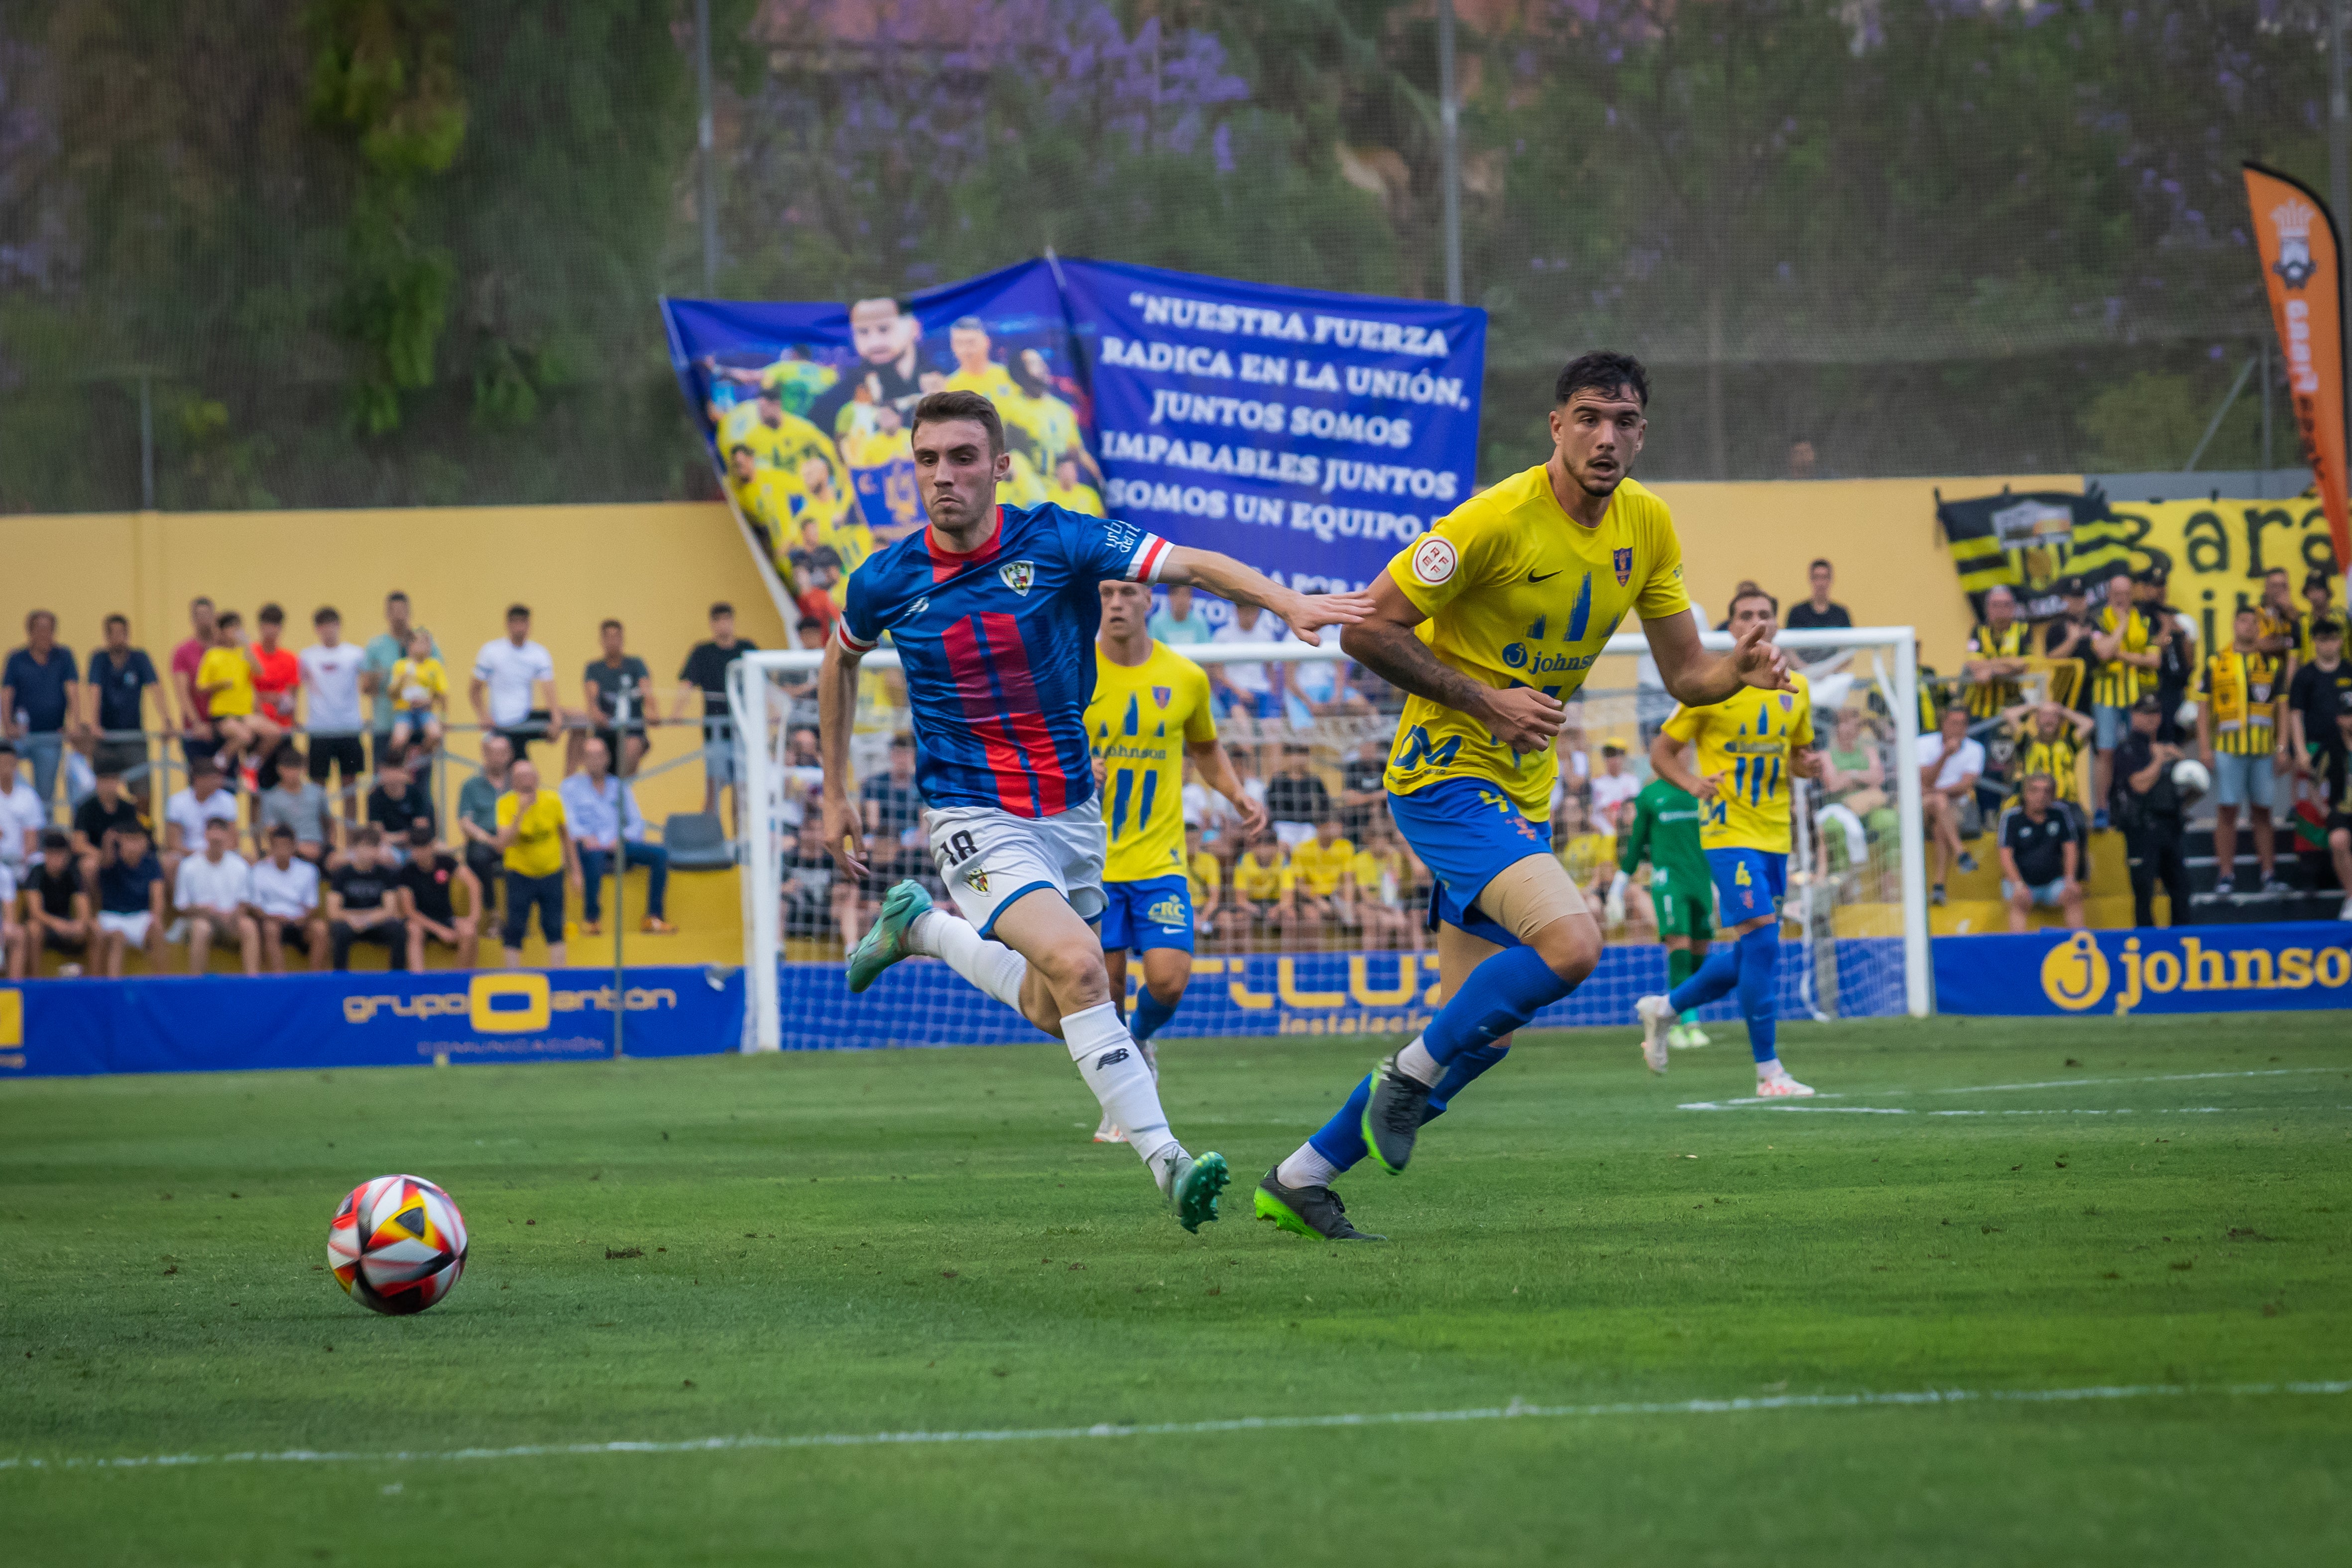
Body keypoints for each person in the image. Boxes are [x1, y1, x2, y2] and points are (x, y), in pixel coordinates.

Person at [1265, 351, 1788, 1241]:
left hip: (1520, 787)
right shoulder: (1490, 520)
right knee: (1572, 942)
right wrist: (1482, 698)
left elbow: (1684, 674)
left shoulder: (1647, 526)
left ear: (1640, 433)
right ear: (1554, 425)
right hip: (1442, 774)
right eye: (1587, 417)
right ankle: (1403, 1078)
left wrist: (1734, 668)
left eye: (1623, 422)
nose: (1605, 437)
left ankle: (1300, 1176)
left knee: (1485, 1034)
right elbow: (1367, 630)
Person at [821, 388, 1368, 1233]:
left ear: (998, 465)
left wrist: (1286, 601)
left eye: (963, 457)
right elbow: (839, 659)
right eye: (927, 459)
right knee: (1084, 966)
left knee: (1052, 1003)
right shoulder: (884, 579)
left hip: (1072, 812)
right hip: (970, 809)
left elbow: (1192, 562)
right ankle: (1167, 1160)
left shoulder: (1058, 538)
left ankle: (920, 928)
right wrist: (833, 786)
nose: (943, 476)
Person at [1081, 578, 1266, 1141]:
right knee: (1103, 985)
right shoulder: (1072, 669)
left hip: (1160, 856)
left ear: (1148, 602)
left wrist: (1237, 796)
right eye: (1107, 593)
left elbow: (1206, 748)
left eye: (1126, 593)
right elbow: (1035, 742)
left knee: (1167, 980)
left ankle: (1139, 1039)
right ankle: (1121, 1094)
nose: (1115, 603)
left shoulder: (1184, 676)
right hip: (1090, 861)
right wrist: (1073, 767)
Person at [1639, 587, 1818, 1090]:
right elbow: (1661, 753)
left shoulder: (1797, 689)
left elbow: (1799, 756)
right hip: (1726, 831)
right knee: (1762, 942)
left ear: (1775, 624)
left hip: (1775, 834)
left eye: (1764, 614)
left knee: (1750, 952)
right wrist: (1692, 783)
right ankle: (1768, 1072)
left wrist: (1807, 766)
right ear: (1732, 628)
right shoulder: (1709, 688)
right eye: (1745, 616)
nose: (1756, 622)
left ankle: (1665, 1007)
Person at [1612, 771, 1713, 1050]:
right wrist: (1619, 885)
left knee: (1700, 951)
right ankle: (1689, 1024)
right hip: (1669, 881)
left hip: (1701, 878)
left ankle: (1669, 1011)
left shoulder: (1700, 788)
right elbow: (1636, 843)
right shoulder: (1650, 795)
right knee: (1680, 945)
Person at [2194, 604, 2286, 896]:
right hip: (2228, 749)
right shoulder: (2215, 661)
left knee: (2263, 813)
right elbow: (2203, 707)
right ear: (2234, 624)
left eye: (2254, 622)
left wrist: (2282, 747)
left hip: (2262, 749)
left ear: (2260, 628)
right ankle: (2225, 875)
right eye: (2243, 621)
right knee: (2227, 812)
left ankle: (2269, 874)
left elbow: (2282, 708)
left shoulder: (2271, 664)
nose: (2249, 626)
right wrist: (2205, 748)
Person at [559, 736, 673, 936]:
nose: (595, 760)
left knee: (660, 855)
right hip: (587, 844)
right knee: (594, 857)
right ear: (582, 760)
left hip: (617, 844)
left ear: (607, 758)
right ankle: (591, 919)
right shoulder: (570, 787)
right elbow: (568, 822)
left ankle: (654, 917)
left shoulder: (619, 787)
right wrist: (584, 836)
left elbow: (637, 823)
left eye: (599, 755)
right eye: (589, 756)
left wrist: (621, 838)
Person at [2088, 570, 2163, 824]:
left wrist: (2123, 656)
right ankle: (2102, 808)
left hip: (2136, 697)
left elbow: (2154, 660)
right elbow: (2104, 653)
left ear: (2132, 595)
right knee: (2106, 752)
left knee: (2141, 748)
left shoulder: (2144, 620)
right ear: (2109, 595)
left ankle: (2143, 802)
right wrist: (2121, 625)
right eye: (2116, 593)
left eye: (2126, 593)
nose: (2121, 598)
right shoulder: (2097, 620)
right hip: (2106, 697)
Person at [675, 603, 759, 826]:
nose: (723, 625)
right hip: (716, 731)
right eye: (719, 621)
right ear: (712, 624)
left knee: (742, 789)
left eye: (727, 619)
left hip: (744, 731)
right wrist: (677, 712)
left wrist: (773, 713)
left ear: (733, 621)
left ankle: (740, 843)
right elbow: (687, 683)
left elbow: (764, 684)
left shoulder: (747, 649)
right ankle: (713, 842)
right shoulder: (702, 652)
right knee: (715, 783)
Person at [2112, 694, 2190, 927]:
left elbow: (2183, 794)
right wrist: (2158, 761)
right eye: (2145, 713)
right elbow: (2139, 785)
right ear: (2134, 716)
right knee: (2144, 890)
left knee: (2182, 888)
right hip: (2142, 828)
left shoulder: (2165, 747)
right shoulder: (2128, 749)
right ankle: (2146, 945)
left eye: (2156, 714)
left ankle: (2183, 941)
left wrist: (2183, 766)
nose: (2151, 719)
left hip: (2170, 826)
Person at [495, 758, 578, 968]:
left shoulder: (552, 800)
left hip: (551, 872)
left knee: (554, 927)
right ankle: (513, 979)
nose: (527, 782)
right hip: (520, 874)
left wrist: (576, 872)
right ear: (513, 782)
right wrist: (521, 812)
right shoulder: (505, 804)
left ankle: (559, 977)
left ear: (537, 778)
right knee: (515, 928)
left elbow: (566, 837)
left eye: (530, 775)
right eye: (521, 777)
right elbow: (504, 843)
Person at [2, 609, 81, 811]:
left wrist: (75, 724)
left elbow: (72, 691)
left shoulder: (64, 657)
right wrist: (8, 726)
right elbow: (7, 693)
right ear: (30, 631)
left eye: (50, 629)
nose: (46, 634)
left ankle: (43, 837)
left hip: (50, 736)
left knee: (46, 794)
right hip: (20, 736)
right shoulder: (17, 658)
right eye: (41, 629)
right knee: (7, 779)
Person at [299, 606, 369, 828]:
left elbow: (369, 686)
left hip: (349, 729)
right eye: (323, 627)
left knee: (350, 788)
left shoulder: (356, 655)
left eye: (332, 626)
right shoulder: (307, 657)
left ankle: (351, 840)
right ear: (317, 630)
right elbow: (293, 688)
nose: (328, 631)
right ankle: (324, 839)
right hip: (319, 731)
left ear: (339, 626)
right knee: (319, 790)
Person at [84, 614, 163, 806]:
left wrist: (167, 721)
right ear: (107, 636)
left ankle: (144, 830)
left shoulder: (139, 658)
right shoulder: (99, 659)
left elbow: (156, 688)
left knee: (143, 792)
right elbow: (94, 690)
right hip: (106, 738)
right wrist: (94, 725)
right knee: (103, 793)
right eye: (114, 633)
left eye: (122, 633)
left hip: (133, 735)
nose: (118, 637)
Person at [1915, 704, 1985, 904]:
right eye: (1954, 723)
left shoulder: (1975, 749)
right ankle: (1960, 853)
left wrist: (1936, 791)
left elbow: (1966, 785)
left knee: (1940, 823)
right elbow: (1926, 780)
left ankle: (1939, 887)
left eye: (1963, 724)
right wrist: (1945, 755)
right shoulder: (1923, 744)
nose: (1959, 728)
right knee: (1938, 802)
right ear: (1943, 724)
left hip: (1953, 805)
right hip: (1922, 805)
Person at [470, 605, 561, 759]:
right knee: (516, 772)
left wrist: (556, 718)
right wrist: (483, 715)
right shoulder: (491, 651)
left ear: (529, 625)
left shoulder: (539, 653)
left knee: (578, 719)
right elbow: (475, 689)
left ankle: (570, 779)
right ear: (508, 625)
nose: (519, 628)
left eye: (523, 623)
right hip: (501, 724)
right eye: (515, 623)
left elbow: (548, 687)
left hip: (526, 719)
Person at [1998, 772, 2085, 933]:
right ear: (2025, 794)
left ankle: (2080, 942)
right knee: (2019, 900)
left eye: (2046, 791)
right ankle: (2018, 947)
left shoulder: (2060, 814)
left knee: (2074, 893)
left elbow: (2070, 849)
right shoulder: (2011, 817)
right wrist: (2018, 885)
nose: (2041, 796)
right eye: (2034, 791)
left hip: (2053, 884)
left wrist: (2070, 879)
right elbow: (2005, 856)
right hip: (2022, 883)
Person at [361, 592, 437, 770]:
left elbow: (438, 684)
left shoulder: (426, 644)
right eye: (393, 611)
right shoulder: (376, 647)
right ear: (386, 614)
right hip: (386, 726)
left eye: (402, 610)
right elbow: (365, 689)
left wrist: (435, 711)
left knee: (419, 786)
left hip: (419, 724)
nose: (398, 616)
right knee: (384, 782)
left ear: (410, 612)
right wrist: (375, 679)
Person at [174, 816, 257, 975]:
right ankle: (196, 984)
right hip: (201, 921)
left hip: (231, 923)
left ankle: (253, 982)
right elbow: (181, 906)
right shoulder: (189, 866)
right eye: (213, 837)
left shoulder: (240, 866)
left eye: (220, 838)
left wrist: (233, 916)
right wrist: (204, 911)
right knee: (201, 928)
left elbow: (244, 902)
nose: (216, 842)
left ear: (227, 837)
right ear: (205, 836)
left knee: (248, 926)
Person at [195, 611, 274, 778]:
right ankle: (219, 761)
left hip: (245, 713)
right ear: (222, 632)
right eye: (232, 628)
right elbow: (200, 687)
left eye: (239, 628)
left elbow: (259, 671)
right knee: (245, 736)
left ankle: (251, 766)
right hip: (223, 714)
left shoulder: (244, 654)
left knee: (274, 733)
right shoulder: (213, 655)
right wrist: (220, 684)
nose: (236, 632)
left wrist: (247, 647)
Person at [398, 819, 481, 969]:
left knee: (470, 931)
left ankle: (459, 981)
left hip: (446, 917)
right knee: (413, 929)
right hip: (422, 922)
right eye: (416, 849)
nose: (420, 853)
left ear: (432, 846)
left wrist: (474, 918)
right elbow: (409, 911)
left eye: (424, 848)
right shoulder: (407, 872)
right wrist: (440, 931)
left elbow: (474, 884)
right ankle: (419, 983)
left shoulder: (446, 862)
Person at [2287, 615, 2352, 797]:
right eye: (2323, 640)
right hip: (2313, 748)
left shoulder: (2349, 672)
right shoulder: (2304, 676)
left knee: (2345, 806)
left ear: (2340, 641)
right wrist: (2300, 750)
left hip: (2347, 749)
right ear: (2315, 642)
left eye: (2332, 639)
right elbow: (2295, 715)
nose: (2328, 645)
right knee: (2312, 808)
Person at [578, 619, 653, 778]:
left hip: (632, 731)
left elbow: (646, 690)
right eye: (608, 637)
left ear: (622, 639)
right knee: (592, 751)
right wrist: (594, 711)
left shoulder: (636, 664)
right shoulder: (594, 668)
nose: (613, 641)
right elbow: (591, 695)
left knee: (631, 748)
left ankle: (620, 792)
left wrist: (652, 710)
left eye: (616, 636)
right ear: (602, 641)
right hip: (605, 731)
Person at [247, 825, 327, 972]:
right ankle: (281, 981)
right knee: (270, 929)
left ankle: (315, 981)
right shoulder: (259, 870)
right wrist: (275, 917)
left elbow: (312, 905)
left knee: (320, 929)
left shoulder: (309, 870)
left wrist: (303, 918)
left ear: (294, 846)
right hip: (272, 921)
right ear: (271, 847)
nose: (282, 850)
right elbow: (256, 908)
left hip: (299, 922)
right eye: (278, 846)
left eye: (286, 846)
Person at [326, 827, 407, 970]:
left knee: (399, 930)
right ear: (355, 848)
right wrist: (354, 918)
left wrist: (367, 921)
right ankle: (340, 980)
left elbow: (390, 909)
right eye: (366, 846)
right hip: (349, 923)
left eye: (374, 846)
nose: (370, 851)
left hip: (375, 923)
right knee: (340, 931)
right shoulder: (342, 874)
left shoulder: (385, 874)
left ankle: (396, 980)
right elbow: (333, 912)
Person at [93, 822, 166, 976]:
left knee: (158, 930)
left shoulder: (152, 863)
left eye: (137, 840)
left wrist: (157, 918)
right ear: (120, 842)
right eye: (129, 840)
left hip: (140, 916)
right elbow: (105, 859)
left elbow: (158, 895)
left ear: (145, 842)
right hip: (112, 916)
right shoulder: (110, 861)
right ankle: (115, 990)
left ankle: (162, 988)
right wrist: (108, 843)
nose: (133, 845)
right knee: (118, 937)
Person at [1206, 600, 1289, 727]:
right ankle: (1244, 747)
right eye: (1245, 611)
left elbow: (1271, 668)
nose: (1249, 616)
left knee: (1272, 730)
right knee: (1243, 727)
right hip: (1232, 692)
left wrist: (1272, 692)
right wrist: (1239, 691)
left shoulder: (1266, 636)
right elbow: (1217, 672)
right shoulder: (1223, 636)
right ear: (1236, 611)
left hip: (1262, 691)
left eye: (1253, 612)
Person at [21, 829, 93, 974]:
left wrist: (80, 924)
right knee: (34, 929)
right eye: (51, 854)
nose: (55, 859)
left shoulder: (73, 873)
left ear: (67, 856)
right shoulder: (37, 873)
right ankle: (36, 983)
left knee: (93, 929)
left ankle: (96, 984)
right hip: (45, 925)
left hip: (66, 923)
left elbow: (83, 906)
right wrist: (56, 924)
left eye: (59, 854)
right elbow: (35, 912)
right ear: (45, 855)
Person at [457, 732, 513, 916]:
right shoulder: (471, 786)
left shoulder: (518, 783)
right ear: (485, 754)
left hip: (515, 837)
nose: (498, 758)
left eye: (502, 753)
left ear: (510, 754)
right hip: (484, 839)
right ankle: (493, 912)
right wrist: (490, 840)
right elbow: (465, 822)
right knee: (477, 857)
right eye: (493, 753)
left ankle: (518, 915)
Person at [247, 604, 300, 788]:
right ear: (260, 627)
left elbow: (291, 697)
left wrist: (294, 719)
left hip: (282, 727)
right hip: (259, 730)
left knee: (284, 786)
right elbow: (248, 691)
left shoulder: (290, 659)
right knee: (256, 788)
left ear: (281, 629)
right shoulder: (250, 655)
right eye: (267, 625)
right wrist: (270, 698)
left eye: (275, 626)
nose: (271, 630)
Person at [171, 597, 222, 782]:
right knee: (199, 786)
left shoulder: (225, 648)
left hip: (224, 728)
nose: (204, 619)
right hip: (196, 731)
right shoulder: (183, 652)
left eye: (208, 614)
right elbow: (182, 693)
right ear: (192, 619)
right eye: (199, 615)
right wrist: (197, 723)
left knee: (226, 786)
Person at [161, 761, 239, 881]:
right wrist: (197, 855)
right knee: (169, 864)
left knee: (248, 861)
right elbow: (172, 843)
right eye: (213, 779)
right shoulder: (177, 801)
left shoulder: (228, 800)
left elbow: (233, 841)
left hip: (220, 852)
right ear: (198, 780)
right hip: (187, 854)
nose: (219, 783)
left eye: (219, 778)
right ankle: (175, 900)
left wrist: (213, 854)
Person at [70, 768, 148, 889]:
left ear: (119, 782)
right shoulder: (85, 809)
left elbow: (138, 836)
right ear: (97, 782)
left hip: (123, 854)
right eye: (104, 780)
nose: (108, 785)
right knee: (89, 866)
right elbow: (78, 844)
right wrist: (104, 855)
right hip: (97, 855)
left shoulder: (128, 808)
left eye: (112, 780)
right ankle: (98, 905)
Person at [1963, 585, 2031, 721]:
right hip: (1980, 707)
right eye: (1996, 605)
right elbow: (1973, 664)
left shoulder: (2023, 629)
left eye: (2006, 605)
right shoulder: (1978, 631)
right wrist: (2008, 663)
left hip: (2012, 705)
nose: (2001, 610)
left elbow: (2023, 665)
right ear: (1988, 608)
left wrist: (1991, 670)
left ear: (2013, 608)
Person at [256, 754, 333, 864]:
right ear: (279, 769)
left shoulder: (317, 792)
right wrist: (298, 847)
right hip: (290, 850)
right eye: (288, 769)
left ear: (303, 769)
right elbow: (271, 831)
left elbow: (329, 821)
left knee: (337, 862)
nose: (292, 774)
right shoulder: (272, 798)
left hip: (320, 848)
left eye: (295, 769)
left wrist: (330, 846)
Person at [386, 627, 448, 762]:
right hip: (404, 711)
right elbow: (392, 694)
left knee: (436, 735)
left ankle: (418, 758)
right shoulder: (400, 666)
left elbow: (442, 694)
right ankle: (392, 766)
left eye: (427, 643)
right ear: (410, 646)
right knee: (399, 740)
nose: (424, 646)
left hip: (425, 711)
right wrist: (400, 681)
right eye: (420, 643)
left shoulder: (435, 666)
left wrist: (443, 717)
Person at [2320, 691, 2352, 921]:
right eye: (2347, 715)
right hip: (2342, 809)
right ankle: (2351, 897)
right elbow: (2313, 780)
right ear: (2339, 719)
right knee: (2338, 840)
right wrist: (2322, 809)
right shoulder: (2332, 746)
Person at [1263, 744, 1331, 849]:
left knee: (1309, 849)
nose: (1299, 758)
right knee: (1282, 848)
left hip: (1308, 827)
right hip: (1283, 826)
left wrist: (1320, 825)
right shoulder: (1278, 780)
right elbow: (1270, 806)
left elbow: (1325, 805)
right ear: (1287, 757)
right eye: (1295, 754)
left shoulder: (1314, 781)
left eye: (1303, 754)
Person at [363, 756, 434, 854]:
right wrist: (404, 837)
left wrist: (396, 838)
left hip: (414, 846)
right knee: (383, 854)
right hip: (388, 848)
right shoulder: (375, 797)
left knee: (439, 851)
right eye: (389, 772)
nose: (393, 776)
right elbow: (377, 835)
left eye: (396, 771)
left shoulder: (416, 793)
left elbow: (422, 831)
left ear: (404, 772)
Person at [0, 742, 44, 878]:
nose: (5, 769)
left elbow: (32, 839)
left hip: (22, 861)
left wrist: (23, 860)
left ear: (16, 765)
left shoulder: (29, 797)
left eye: (9, 763)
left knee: (40, 861)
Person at [1783, 559, 1852, 637]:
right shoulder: (1797, 613)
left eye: (1824, 577)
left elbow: (1847, 645)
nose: (1821, 583)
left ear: (1831, 580)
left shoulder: (1841, 614)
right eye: (1817, 577)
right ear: (1811, 579)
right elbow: (1790, 646)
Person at [1589, 739, 1641, 830]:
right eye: (1611, 755)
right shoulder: (1596, 783)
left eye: (1619, 755)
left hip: (1628, 828)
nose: (1615, 760)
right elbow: (1603, 811)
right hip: (1606, 830)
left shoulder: (1633, 781)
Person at [1147, 584, 1215, 648]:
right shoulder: (1157, 622)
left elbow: (1207, 652)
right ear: (1170, 597)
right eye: (1177, 594)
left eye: (1185, 594)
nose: (1181, 600)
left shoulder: (1200, 621)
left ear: (1191, 597)